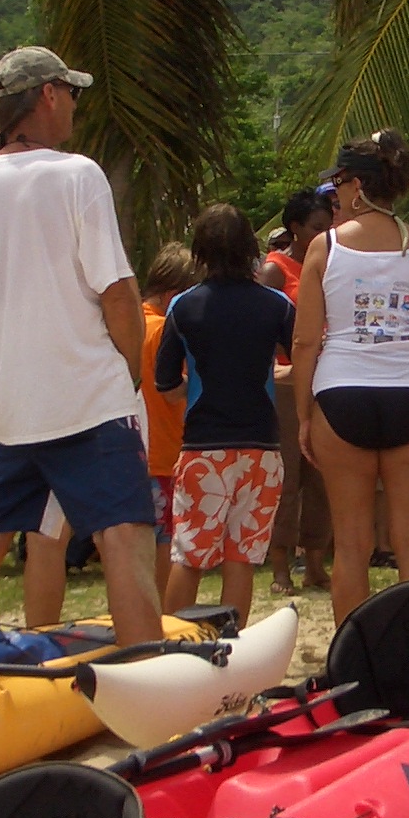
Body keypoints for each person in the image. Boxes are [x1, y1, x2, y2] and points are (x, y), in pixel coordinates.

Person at [0, 47, 162, 646]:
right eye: (72, 94)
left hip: (11, 403)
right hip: (86, 395)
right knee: (125, 535)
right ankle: (147, 667)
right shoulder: (77, 174)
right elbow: (116, 290)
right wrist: (128, 375)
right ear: (49, 95)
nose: (75, 108)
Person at [293, 130, 409, 621]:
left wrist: (304, 415)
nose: (335, 196)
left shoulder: (325, 249)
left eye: (338, 185)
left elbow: (306, 343)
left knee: (352, 542)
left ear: (359, 186)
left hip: (342, 392)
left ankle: (355, 657)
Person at [156, 204, 297, 613]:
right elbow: (303, 358)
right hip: (262, 445)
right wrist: (276, 375)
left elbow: (166, 384)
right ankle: (232, 646)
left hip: (204, 445)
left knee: (190, 556)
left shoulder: (183, 305)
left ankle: (173, 642)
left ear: (199, 250)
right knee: (243, 558)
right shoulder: (276, 305)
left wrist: (196, 385)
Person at [261, 188, 334, 596]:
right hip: (287, 384)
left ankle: (316, 563)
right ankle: (280, 568)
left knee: (321, 473)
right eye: (317, 228)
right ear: (295, 228)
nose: (325, 234)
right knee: (287, 476)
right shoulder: (274, 270)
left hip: (324, 380)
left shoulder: (326, 263)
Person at [139, 243, 199, 586]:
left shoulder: (132, 323)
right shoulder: (165, 330)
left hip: (135, 454)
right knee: (167, 547)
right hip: (164, 455)